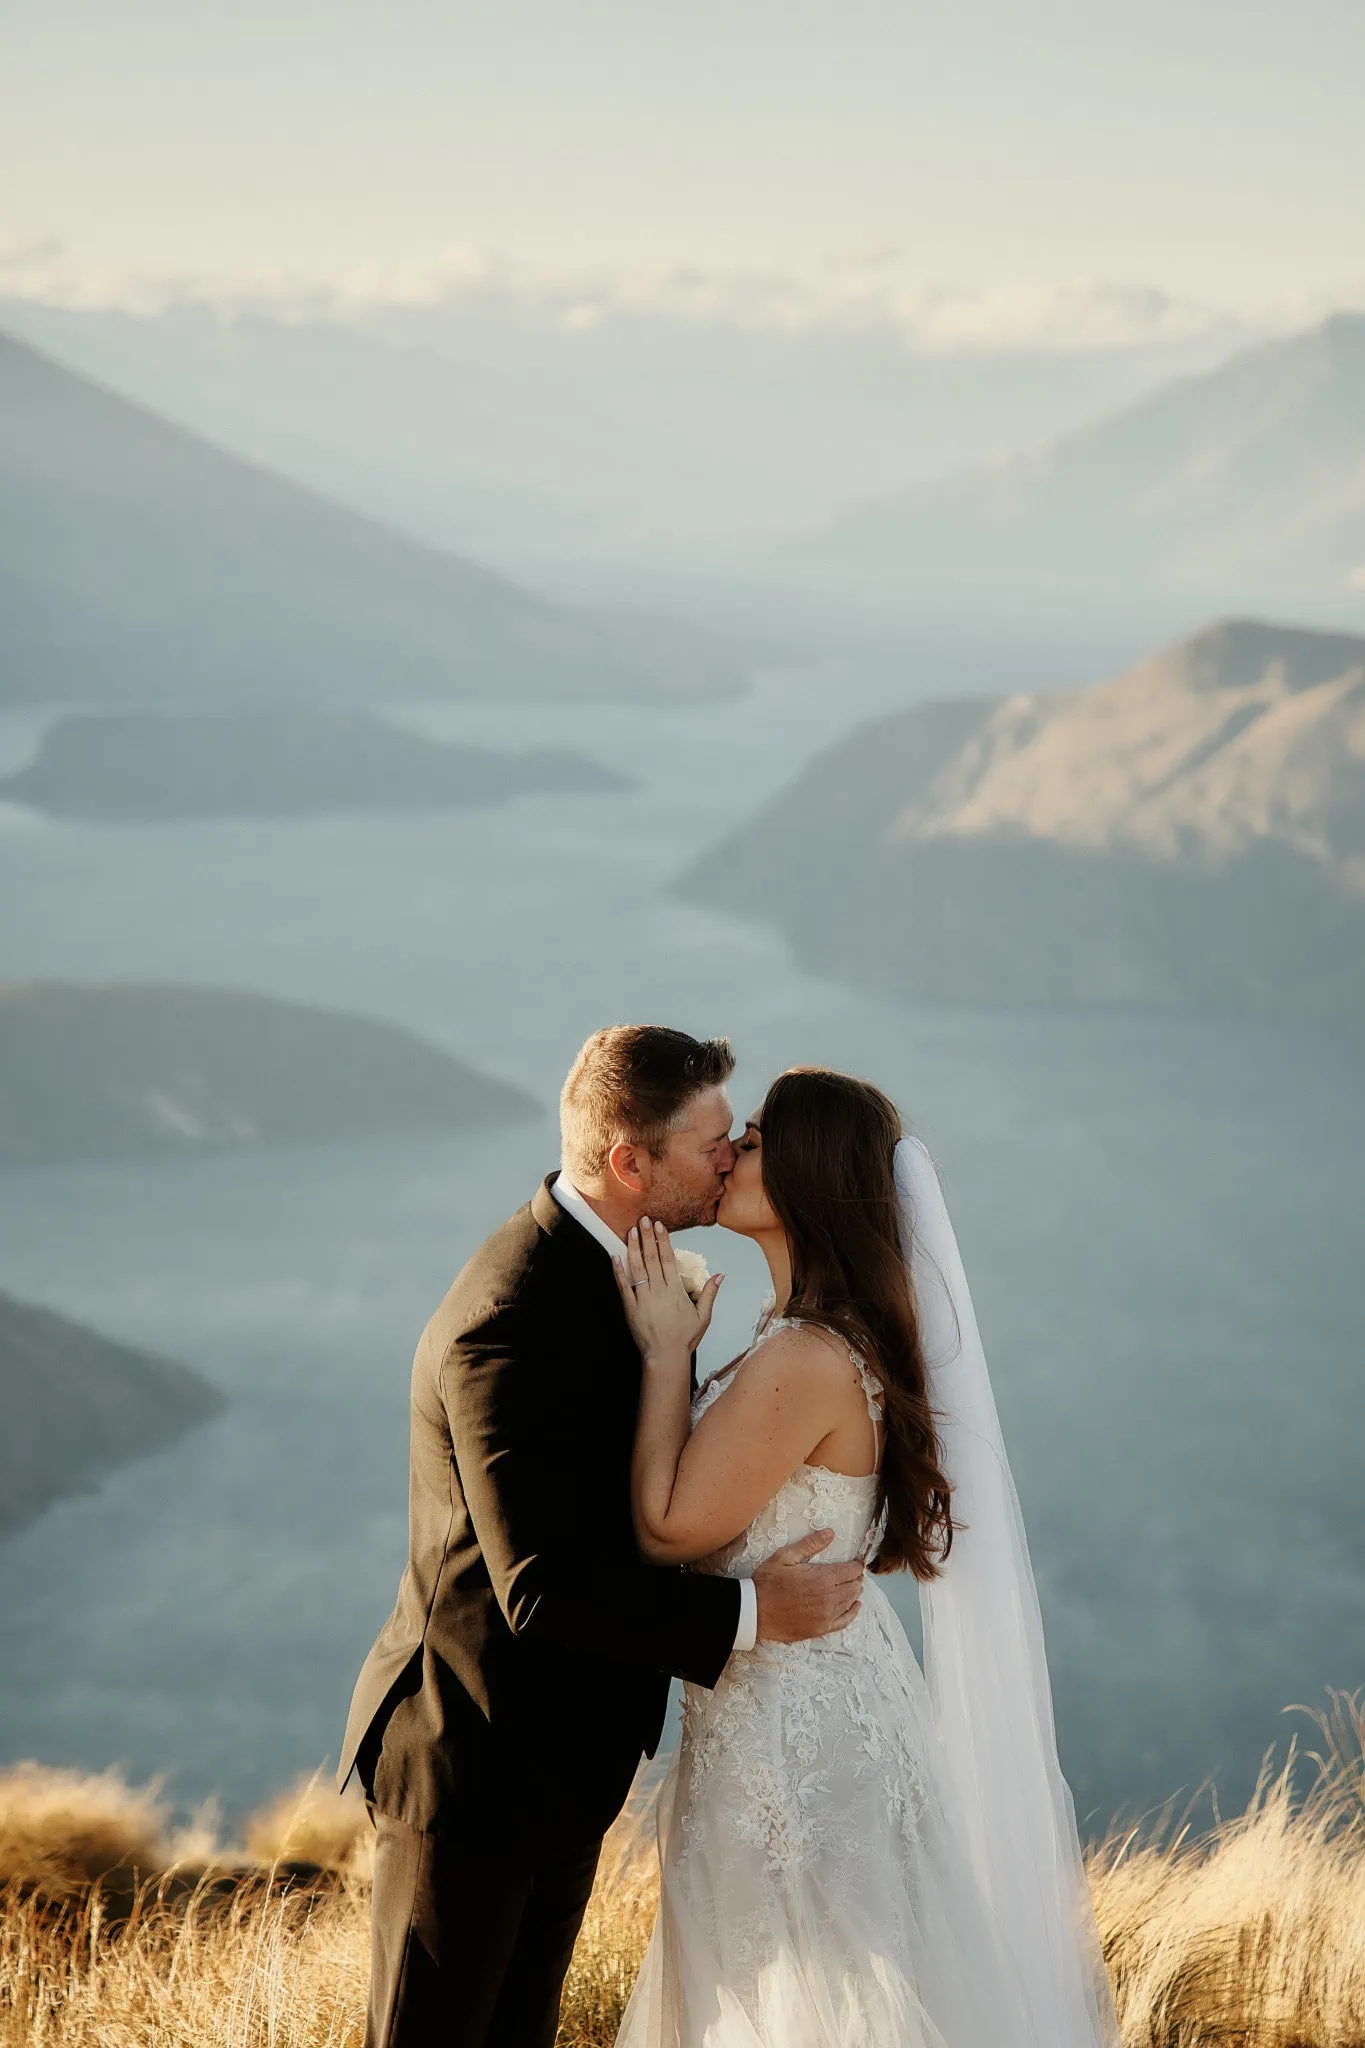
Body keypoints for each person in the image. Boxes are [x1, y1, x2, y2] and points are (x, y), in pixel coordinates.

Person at [336, 1026, 863, 2048]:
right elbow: (539, 1586)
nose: (731, 1157)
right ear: (632, 1162)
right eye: (712, 1140)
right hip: (473, 1759)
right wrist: (756, 1610)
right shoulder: (515, 1314)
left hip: (564, 1764)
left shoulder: (627, 1271)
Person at [614, 1066, 1120, 2048]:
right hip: (786, 1718)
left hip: (797, 1748)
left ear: (805, 1175)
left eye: (753, 1140)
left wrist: (666, 1354)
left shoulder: (804, 1356)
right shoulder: (809, 1339)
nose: (729, 1153)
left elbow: (669, 1524)